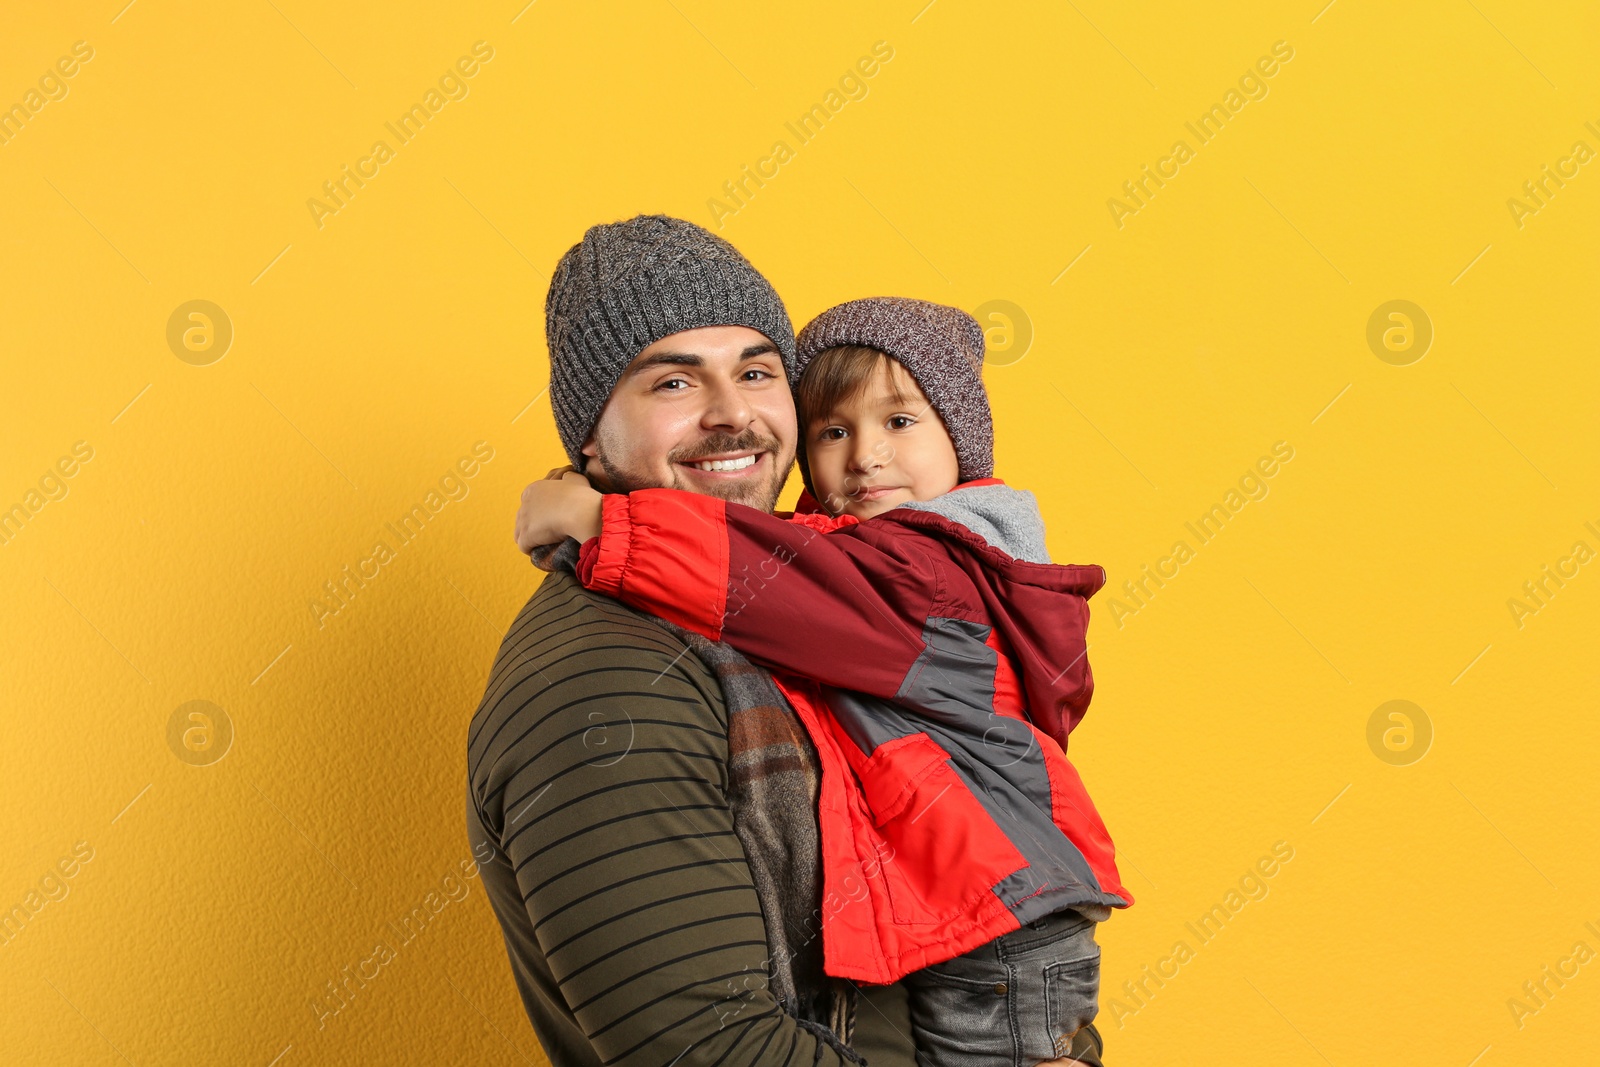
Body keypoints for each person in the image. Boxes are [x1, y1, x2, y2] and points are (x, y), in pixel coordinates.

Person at [514, 296, 1130, 1066]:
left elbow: (763, 581)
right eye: (833, 431)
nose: (866, 456)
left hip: (995, 925)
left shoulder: (930, 571)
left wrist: (601, 520)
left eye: (900, 423)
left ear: (961, 441)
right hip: (992, 909)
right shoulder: (857, 555)